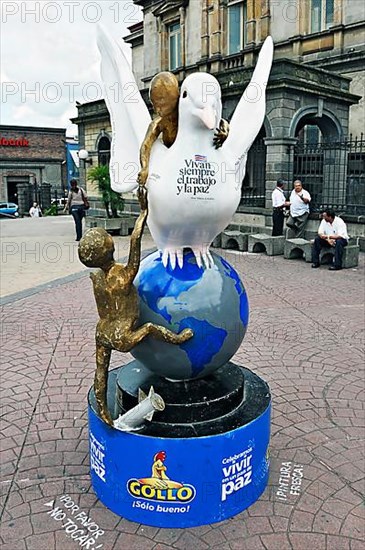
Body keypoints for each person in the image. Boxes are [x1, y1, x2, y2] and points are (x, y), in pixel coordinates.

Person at [78, 187, 193, 426]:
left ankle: (103, 409)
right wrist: (143, 211)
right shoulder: (122, 275)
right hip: (122, 336)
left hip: (103, 331)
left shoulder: (96, 278)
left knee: (101, 371)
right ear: (109, 248)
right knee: (150, 327)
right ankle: (179, 338)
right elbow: (135, 242)